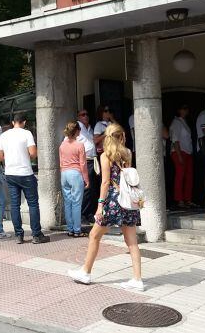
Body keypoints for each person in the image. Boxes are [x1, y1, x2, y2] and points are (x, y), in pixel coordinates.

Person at [68, 123, 144, 291]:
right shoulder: (128, 154)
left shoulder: (106, 156)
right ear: (121, 136)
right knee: (132, 242)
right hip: (127, 201)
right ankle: (137, 279)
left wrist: (100, 205)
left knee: (94, 235)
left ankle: (86, 272)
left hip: (113, 201)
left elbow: (105, 183)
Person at [0, 112, 50, 245]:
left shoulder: (4, 135)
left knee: (15, 205)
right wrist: (24, 156)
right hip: (25, 173)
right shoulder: (27, 134)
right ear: (24, 122)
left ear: (13, 122)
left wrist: (9, 159)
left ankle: (19, 235)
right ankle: (36, 234)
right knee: (33, 203)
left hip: (10, 173)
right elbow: (33, 153)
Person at [60, 121, 89, 237]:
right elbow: (83, 164)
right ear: (76, 131)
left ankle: (70, 229)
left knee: (68, 202)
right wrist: (86, 179)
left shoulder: (62, 145)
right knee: (77, 203)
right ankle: (77, 230)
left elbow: (61, 162)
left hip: (64, 174)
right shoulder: (79, 145)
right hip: (75, 173)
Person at [170, 105, 197, 209]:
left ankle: (188, 199)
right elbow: (175, 139)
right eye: (184, 108)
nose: (186, 110)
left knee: (189, 176)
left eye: (187, 108)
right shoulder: (176, 122)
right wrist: (179, 155)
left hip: (187, 152)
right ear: (179, 110)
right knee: (180, 176)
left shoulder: (183, 121)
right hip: (179, 152)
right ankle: (179, 200)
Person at [76, 109, 98, 224]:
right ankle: (82, 215)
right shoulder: (77, 128)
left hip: (93, 160)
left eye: (87, 114)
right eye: (82, 114)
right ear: (78, 117)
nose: (85, 116)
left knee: (92, 189)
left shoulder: (90, 128)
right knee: (86, 189)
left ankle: (89, 213)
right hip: (85, 161)